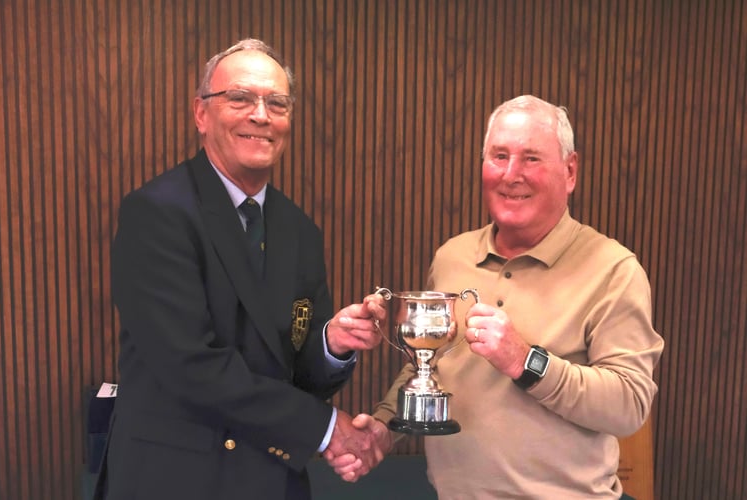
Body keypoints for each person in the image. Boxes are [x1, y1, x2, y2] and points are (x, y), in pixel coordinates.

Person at [325, 95, 665, 499]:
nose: (511, 174)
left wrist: (526, 363)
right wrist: (385, 427)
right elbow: (432, 364)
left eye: (531, 158)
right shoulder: (452, 256)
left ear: (570, 171)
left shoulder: (613, 270)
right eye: (499, 156)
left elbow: (628, 405)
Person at [93, 38, 387, 500]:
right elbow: (191, 366)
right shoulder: (157, 213)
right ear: (201, 114)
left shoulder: (299, 229)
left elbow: (298, 374)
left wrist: (332, 344)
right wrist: (329, 430)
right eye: (240, 98)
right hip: (173, 482)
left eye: (277, 103)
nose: (261, 115)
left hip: (270, 480)